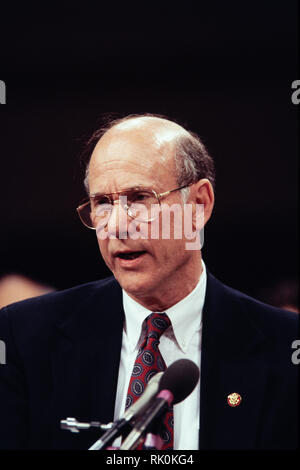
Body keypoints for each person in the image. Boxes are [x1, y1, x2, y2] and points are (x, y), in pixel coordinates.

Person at [0, 114, 298, 450]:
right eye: (102, 203)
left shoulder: (285, 347)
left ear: (199, 205)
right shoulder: (24, 338)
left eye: (139, 198)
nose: (117, 226)